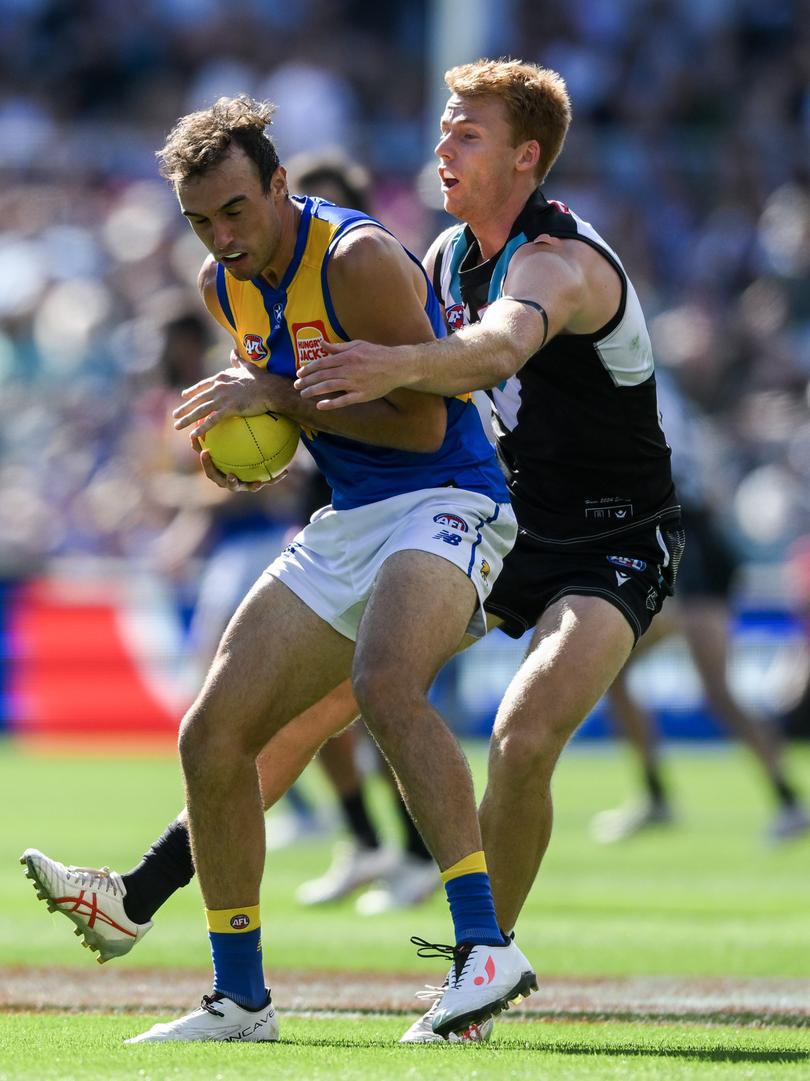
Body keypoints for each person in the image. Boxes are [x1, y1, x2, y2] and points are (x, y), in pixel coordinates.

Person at [22, 60, 680, 1043]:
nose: (440, 146)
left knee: (504, 728)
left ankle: (483, 952)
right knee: (239, 727)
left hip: (589, 530)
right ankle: (196, 951)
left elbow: (467, 378)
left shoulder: (552, 260)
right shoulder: (439, 255)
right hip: (417, 514)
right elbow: (334, 396)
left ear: (526, 156)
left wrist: (299, 396)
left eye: (466, 134)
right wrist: (261, 442)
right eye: (444, 130)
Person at [593, 371, 810, 844]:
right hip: (692, 534)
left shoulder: (628, 375)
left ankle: (786, 801)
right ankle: (662, 794)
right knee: (621, 672)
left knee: (707, 688)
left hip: (683, 536)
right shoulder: (653, 375)